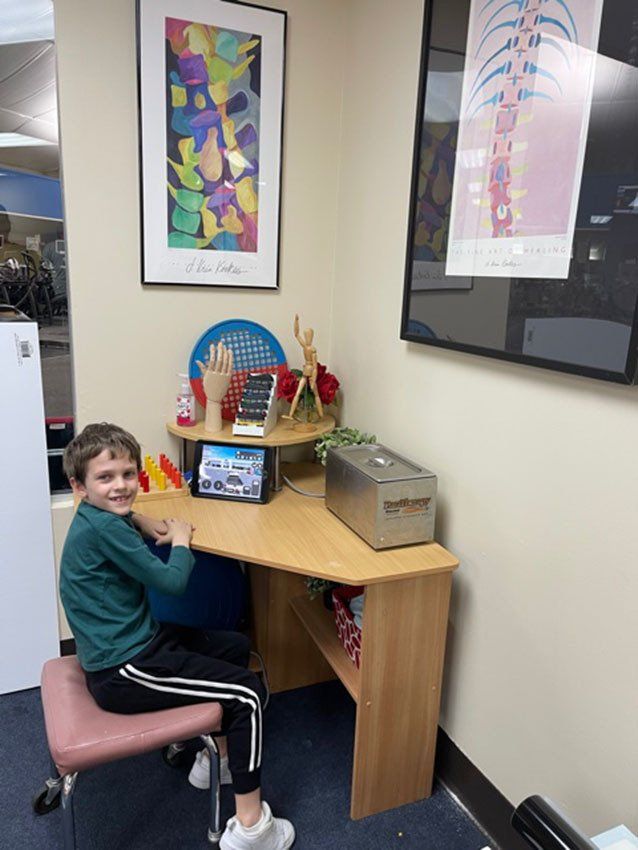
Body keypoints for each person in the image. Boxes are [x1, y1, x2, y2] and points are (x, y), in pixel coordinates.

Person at [59, 422, 295, 850]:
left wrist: (145, 522)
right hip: (124, 670)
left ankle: (215, 762)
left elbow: (122, 515)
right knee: (248, 693)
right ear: (79, 485)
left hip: (137, 641)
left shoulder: (97, 518)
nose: (121, 486)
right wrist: (181, 539)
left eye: (128, 474)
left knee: (235, 646)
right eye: (106, 478)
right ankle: (252, 828)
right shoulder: (105, 530)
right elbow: (171, 582)